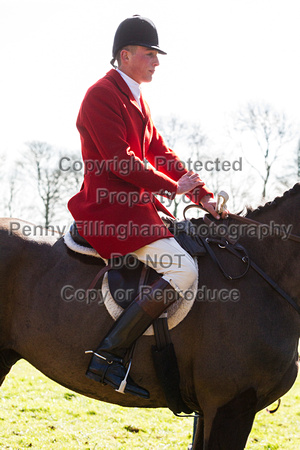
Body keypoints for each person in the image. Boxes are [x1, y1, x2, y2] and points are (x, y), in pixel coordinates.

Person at [68, 15, 222, 399]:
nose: (156, 61)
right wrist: (174, 187)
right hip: (112, 211)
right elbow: (121, 161)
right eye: (150, 53)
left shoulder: (138, 99)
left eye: (157, 54)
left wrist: (200, 193)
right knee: (184, 269)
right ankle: (108, 355)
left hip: (140, 207)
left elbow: (160, 153)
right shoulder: (101, 95)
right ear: (125, 54)